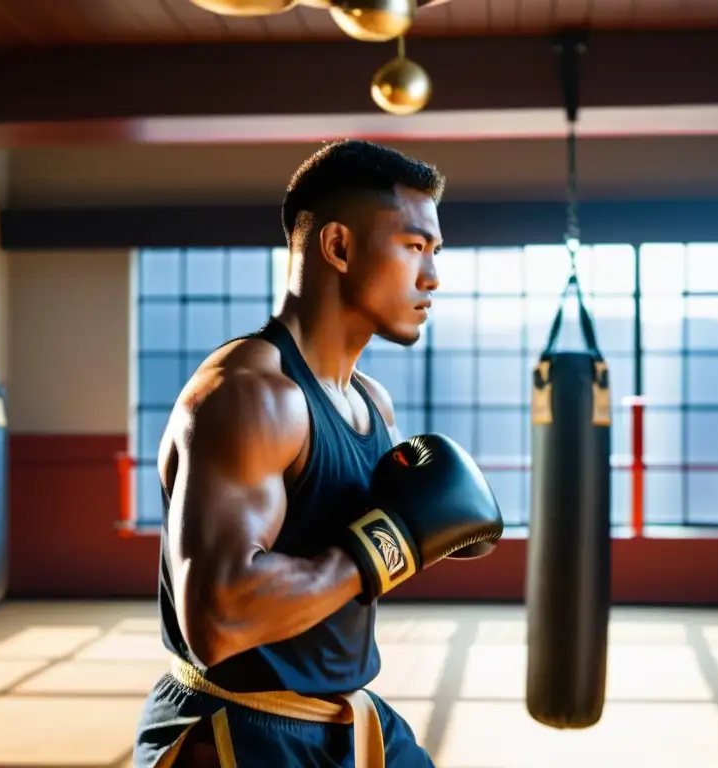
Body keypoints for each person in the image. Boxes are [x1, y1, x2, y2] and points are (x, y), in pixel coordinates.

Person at [134, 139, 504, 768]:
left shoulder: (372, 402)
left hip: (343, 715)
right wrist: (389, 547)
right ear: (337, 246)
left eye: (434, 252)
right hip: (239, 730)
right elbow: (218, 618)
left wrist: (404, 540)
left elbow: (337, 573)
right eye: (414, 247)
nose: (432, 276)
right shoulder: (250, 395)